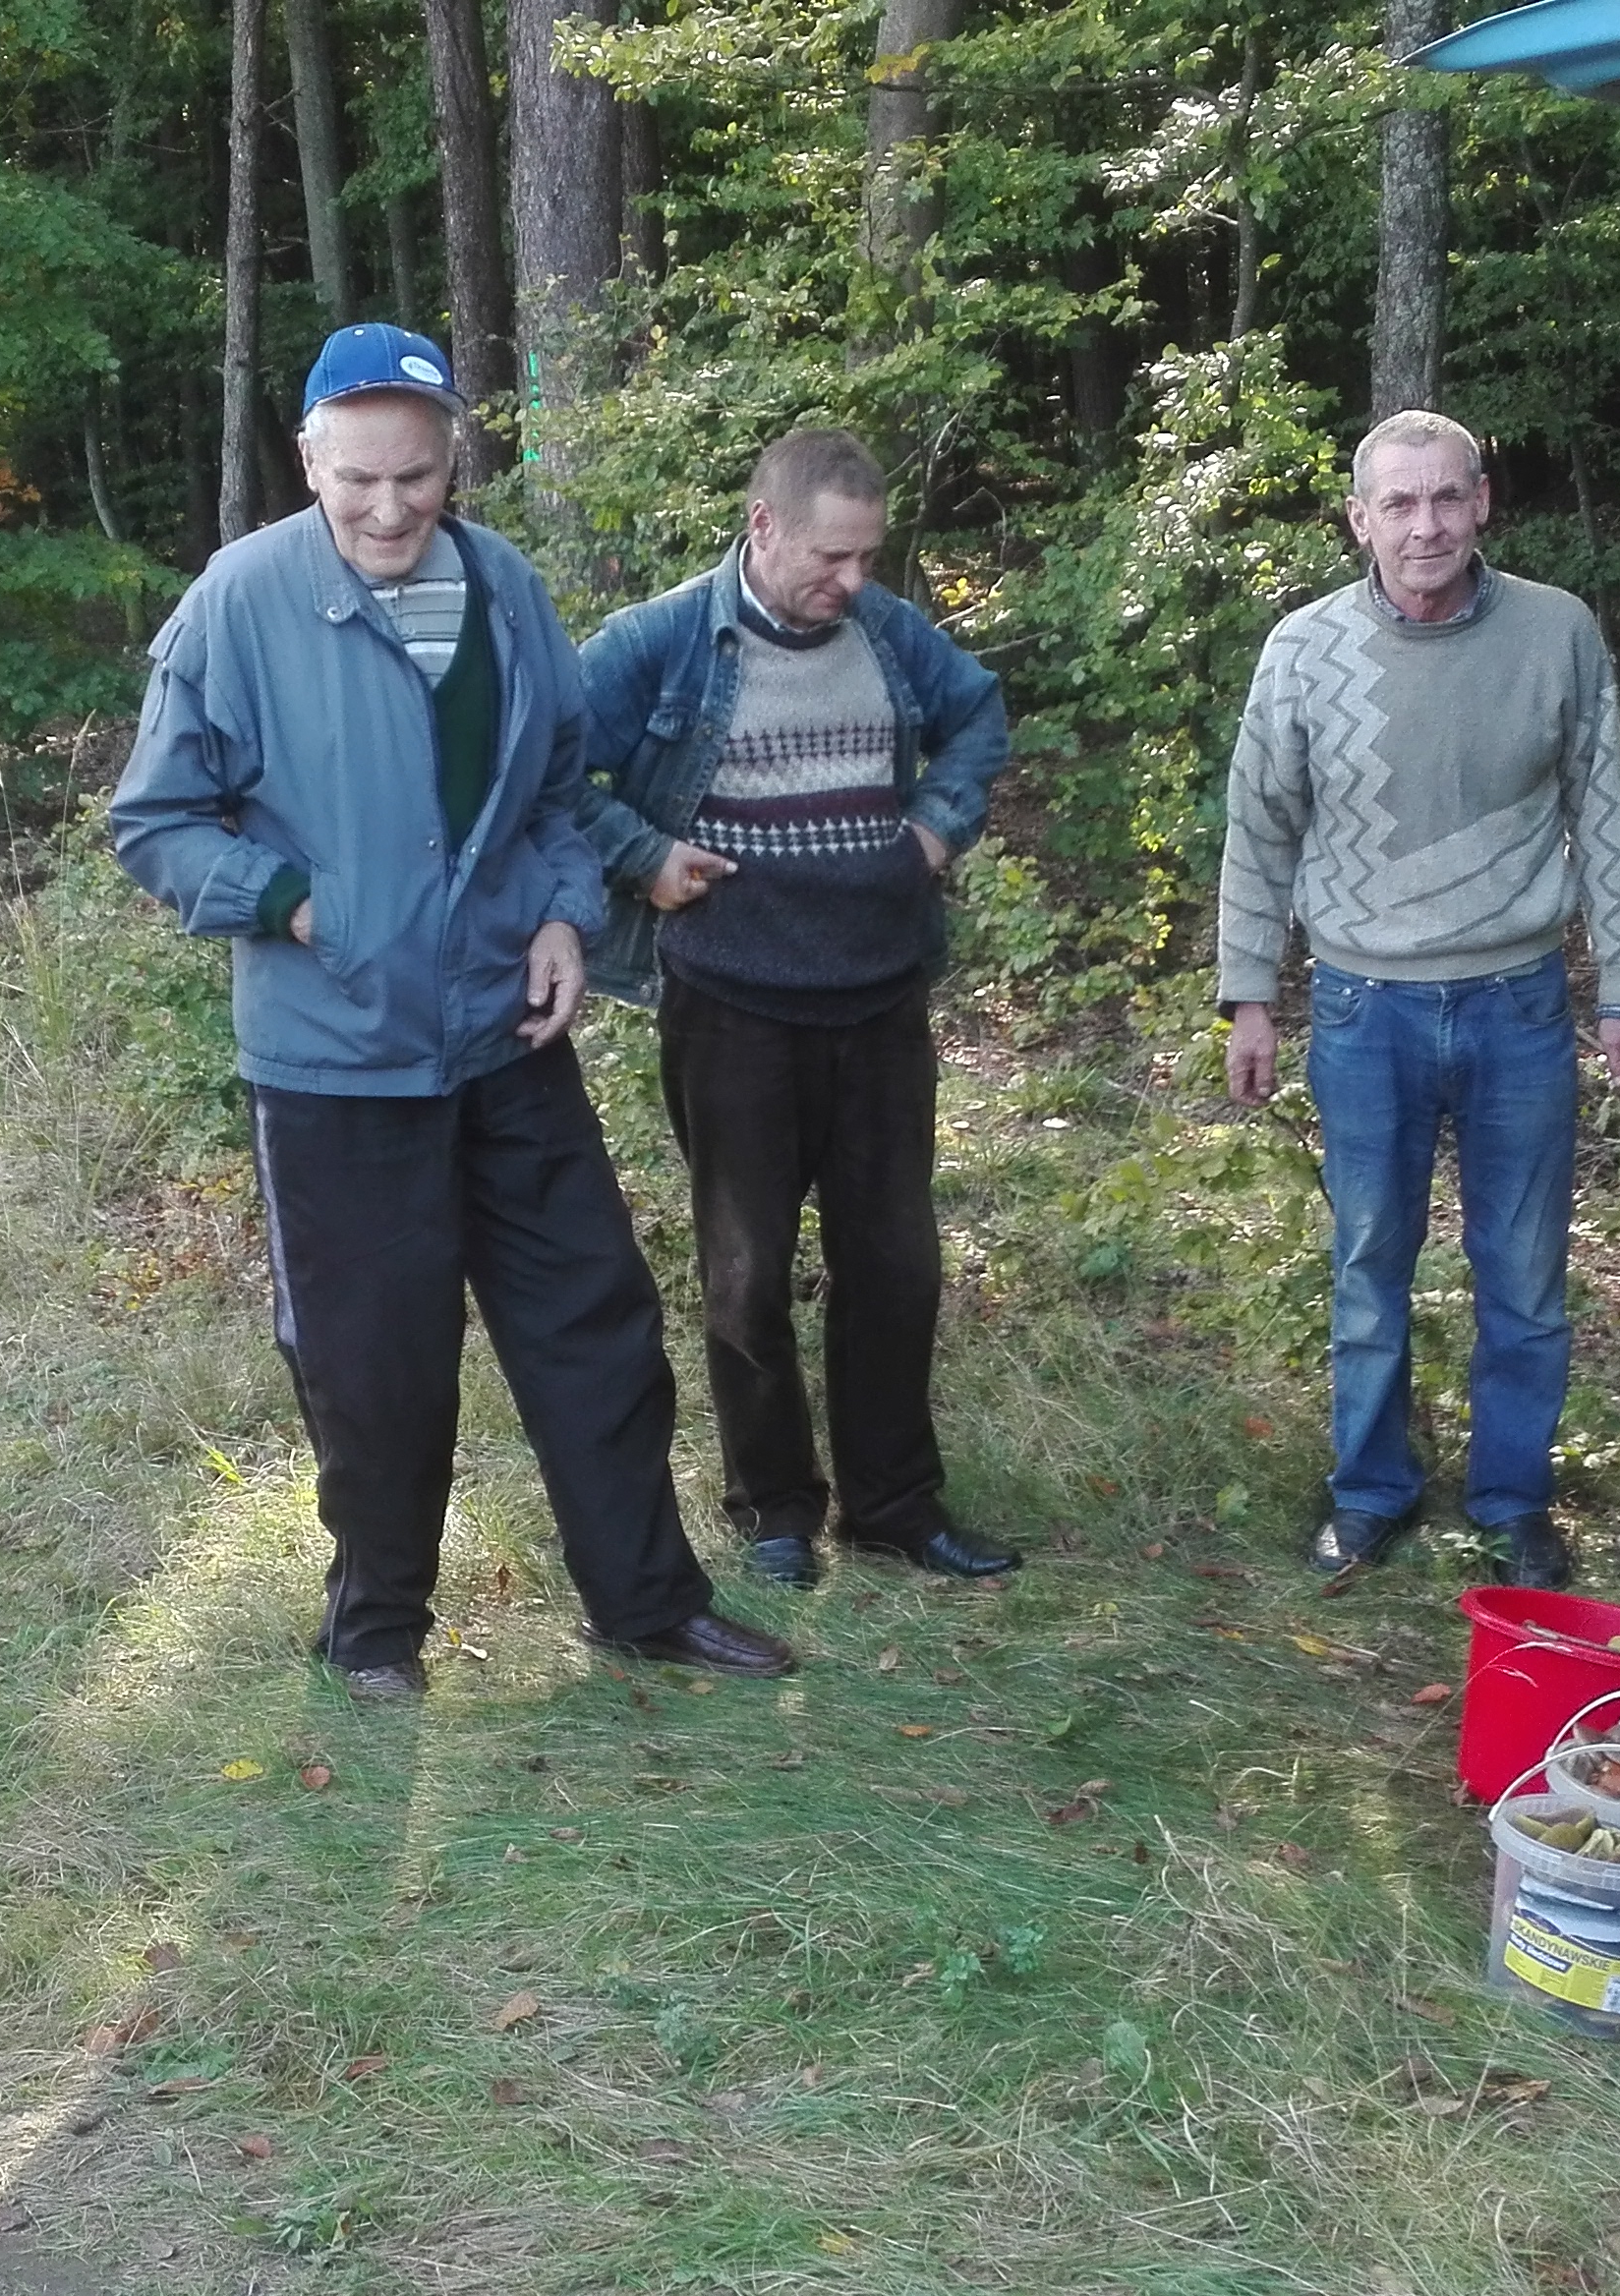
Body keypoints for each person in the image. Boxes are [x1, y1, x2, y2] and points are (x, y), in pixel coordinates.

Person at [108, 322, 796, 1702]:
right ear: (309, 461)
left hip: (506, 1039)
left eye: (415, 477)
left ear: (451, 465)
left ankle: (648, 1603)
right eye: (358, 478)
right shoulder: (240, 604)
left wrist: (561, 915)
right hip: (336, 1059)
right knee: (376, 1367)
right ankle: (374, 1632)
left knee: (596, 1323)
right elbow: (157, 821)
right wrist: (294, 902)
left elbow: (553, 795)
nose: (387, 507)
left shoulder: (503, 589)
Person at [1212, 409, 1620, 1593]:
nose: (1425, 525)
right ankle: (1368, 1494)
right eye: (1398, 503)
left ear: (1482, 503)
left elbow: (1602, 808)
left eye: (1446, 497)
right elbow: (1259, 829)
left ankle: (1514, 1502)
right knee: (1369, 1265)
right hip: (1363, 1010)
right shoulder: (1302, 650)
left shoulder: (1556, 632)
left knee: (1522, 1273)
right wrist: (1247, 993)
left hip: (1519, 1004)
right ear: (1357, 519)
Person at [573, 427, 1021, 1589]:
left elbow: (978, 714)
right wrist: (641, 855)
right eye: (832, 556)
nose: (854, 580)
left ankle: (894, 1506)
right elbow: (548, 761)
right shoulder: (662, 640)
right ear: (762, 526)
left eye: (868, 556)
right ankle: (774, 1507)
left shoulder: (888, 632)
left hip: (878, 1000)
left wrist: (934, 828)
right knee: (745, 1270)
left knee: (895, 1266)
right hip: (729, 1005)